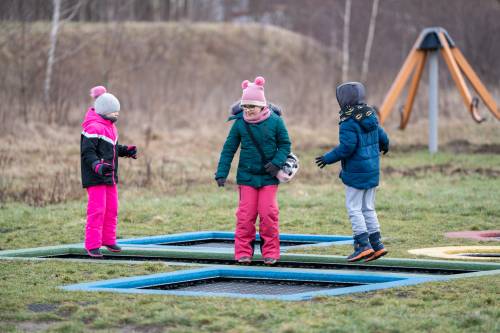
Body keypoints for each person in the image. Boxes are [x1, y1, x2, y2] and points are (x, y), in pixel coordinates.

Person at [215, 76, 291, 265]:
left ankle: (271, 253)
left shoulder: (275, 121)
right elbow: (229, 149)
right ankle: (243, 253)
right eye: (245, 106)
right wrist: (221, 173)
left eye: (251, 106)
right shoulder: (240, 123)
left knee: (268, 215)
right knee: (245, 216)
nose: (247, 110)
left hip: (268, 177)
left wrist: (277, 162)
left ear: (262, 105)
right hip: (246, 178)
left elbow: (285, 144)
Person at [315, 82, 389, 262]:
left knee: (354, 208)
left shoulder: (348, 121)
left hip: (356, 172)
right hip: (372, 171)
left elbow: (347, 147)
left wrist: (328, 158)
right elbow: (383, 136)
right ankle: (376, 244)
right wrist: (385, 146)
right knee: (368, 208)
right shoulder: (370, 116)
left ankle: (362, 245)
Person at [80, 86, 138, 257]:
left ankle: (108, 239)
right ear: (104, 111)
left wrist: (126, 151)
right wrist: (98, 166)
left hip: (109, 176)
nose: (117, 114)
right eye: (114, 111)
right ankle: (92, 244)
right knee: (97, 209)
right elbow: (88, 153)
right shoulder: (93, 128)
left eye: (118, 111)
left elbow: (111, 149)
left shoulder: (110, 127)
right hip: (96, 176)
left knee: (111, 209)